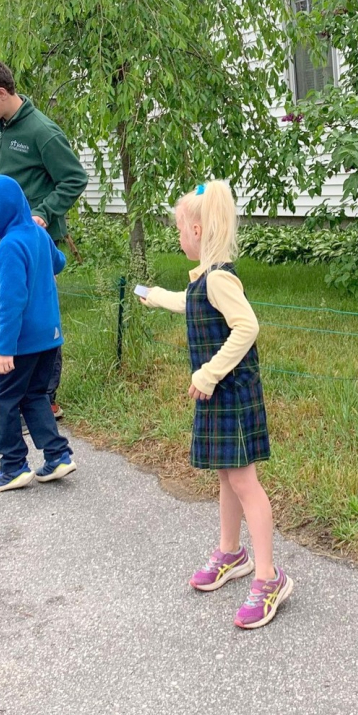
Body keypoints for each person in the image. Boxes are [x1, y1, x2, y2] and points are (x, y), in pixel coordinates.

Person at [140, 181, 293, 630]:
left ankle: (269, 577)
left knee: (245, 482)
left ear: (198, 229)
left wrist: (208, 373)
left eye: (181, 232)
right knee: (227, 474)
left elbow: (247, 327)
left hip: (230, 394)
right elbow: (188, 304)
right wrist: (152, 295)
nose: (179, 239)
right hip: (217, 394)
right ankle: (232, 551)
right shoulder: (205, 281)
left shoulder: (222, 279)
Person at [0, 56, 88, 421]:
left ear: (0, 93)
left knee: (35, 315)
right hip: (5, 236)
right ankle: (9, 392)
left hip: (36, 240)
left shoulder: (42, 131)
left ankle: (45, 400)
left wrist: (43, 211)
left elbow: (74, 178)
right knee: (3, 307)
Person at [0, 175, 75, 493]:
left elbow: (11, 303)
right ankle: (58, 456)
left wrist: (4, 349)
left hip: (20, 343)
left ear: (1, 209)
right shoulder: (37, 234)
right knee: (34, 395)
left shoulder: (8, 247)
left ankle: (14, 466)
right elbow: (59, 263)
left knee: (4, 400)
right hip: (49, 337)